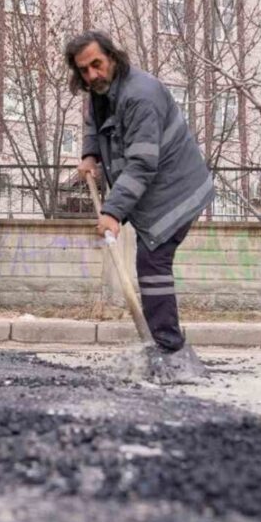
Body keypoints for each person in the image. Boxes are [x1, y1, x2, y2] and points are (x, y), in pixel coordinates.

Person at [65, 30, 215, 358]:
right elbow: (95, 122)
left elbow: (142, 163)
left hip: (177, 192)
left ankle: (169, 350)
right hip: (157, 189)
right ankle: (163, 344)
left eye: (97, 65)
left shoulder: (139, 97)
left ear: (113, 58)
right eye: (84, 70)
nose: (91, 75)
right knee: (151, 261)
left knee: (152, 261)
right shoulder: (102, 90)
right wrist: (91, 154)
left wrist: (113, 211)